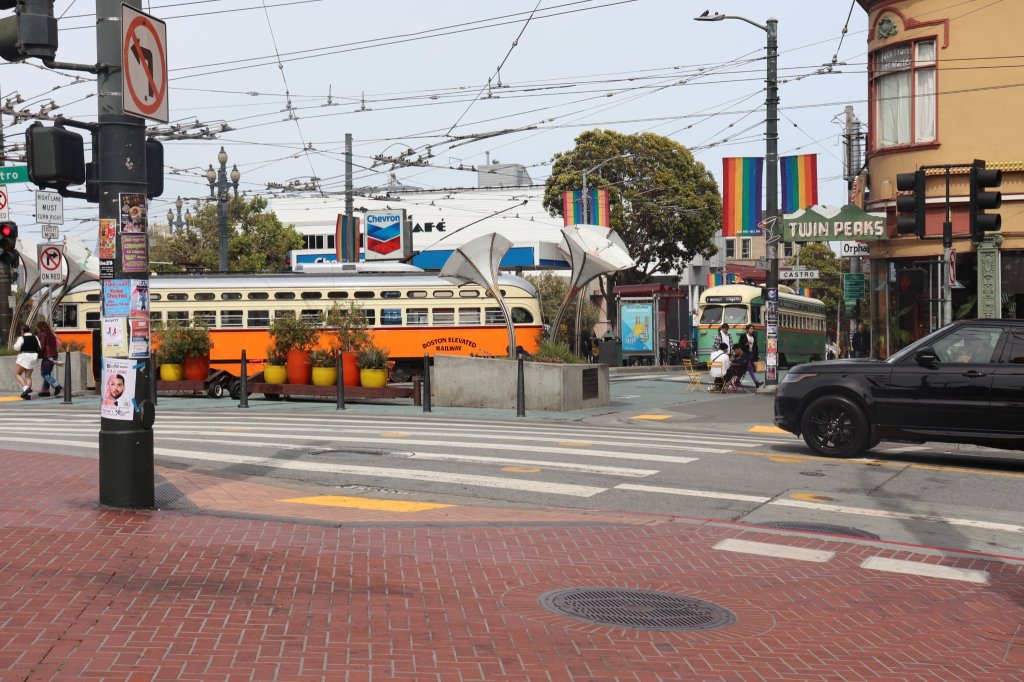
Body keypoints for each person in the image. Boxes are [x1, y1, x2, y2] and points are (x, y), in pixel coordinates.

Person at [35, 320, 63, 398]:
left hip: (47, 356)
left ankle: (56, 385)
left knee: (44, 373)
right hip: (54, 355)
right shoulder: (51, 334)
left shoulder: (42, 334)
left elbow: (42, 347)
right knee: (47, 373)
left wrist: (38, 356)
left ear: (39, 328)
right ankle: (45, 391)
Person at [12, 324, 40, 400]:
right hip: (33, 357)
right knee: (28, 376)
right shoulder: (35, 337)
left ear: (22, 331)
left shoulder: (21, 338)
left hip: (24, 357)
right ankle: (26, 394)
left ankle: (25, 388)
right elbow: (39, 347)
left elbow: (17, 348)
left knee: (17, 374)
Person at [741, 324, 762, 388]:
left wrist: (757, 354)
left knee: (749, 368)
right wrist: (746, 344)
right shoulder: (743, 336)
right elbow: (740, 346)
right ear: (747, 330)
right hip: (745, 354)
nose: (752, 330)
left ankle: (756, 382)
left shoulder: (754, 337)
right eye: (751, 329)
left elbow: (755, 347)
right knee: (749, 368)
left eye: (753, 329)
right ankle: (756, 382)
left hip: (752, 354)